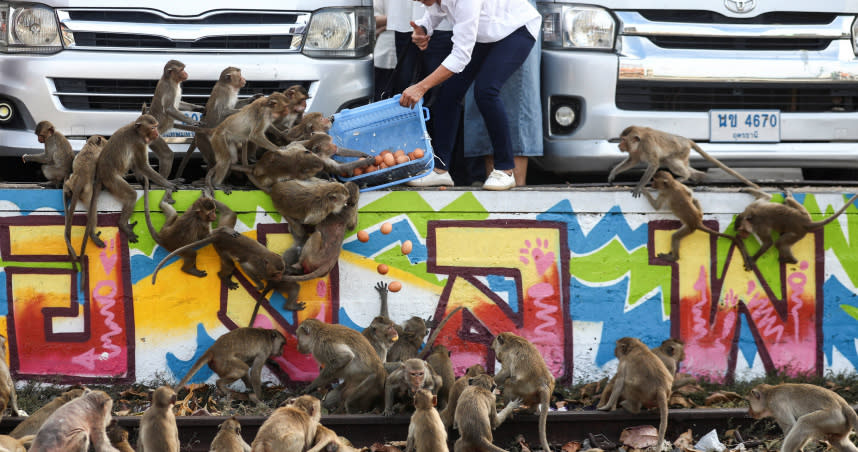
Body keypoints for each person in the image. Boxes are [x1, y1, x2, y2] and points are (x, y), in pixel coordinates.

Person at [400, 0, 542, 191]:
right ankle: (440, 171)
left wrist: (421, 87)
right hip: (487, 34)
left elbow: (460, 56)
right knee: (449, 92)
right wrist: (424, 28)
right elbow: (435, 10)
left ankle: (505, 170)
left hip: (517, 28)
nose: (418, 1)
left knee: (486, 90)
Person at [463, 0, 541, 187]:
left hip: (514, 15)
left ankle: (515, 202)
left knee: (515, 105)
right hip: (477, 13)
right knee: (482, 101)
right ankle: (494, 186)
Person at [374, 0, 397, 101]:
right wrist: (402, 18)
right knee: (380, 98)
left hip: (410, 53)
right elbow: (372, 20)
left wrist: (386, 25)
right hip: (384, 54)